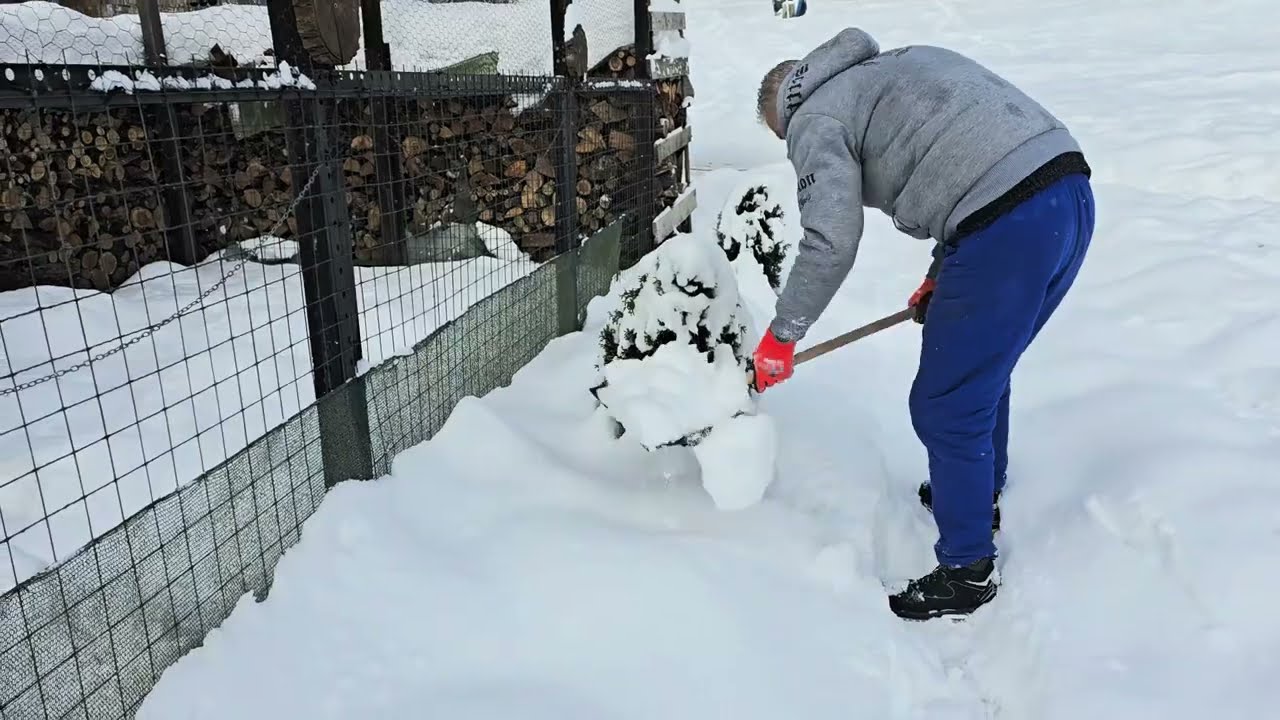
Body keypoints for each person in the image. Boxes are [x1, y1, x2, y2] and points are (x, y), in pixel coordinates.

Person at [750, 27, 1095, 620]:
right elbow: (972, 149)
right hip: (1066, 193)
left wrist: (782, 335)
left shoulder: (814, 119)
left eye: (784, 140)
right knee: (983, 368)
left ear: (783, 113)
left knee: (945, 403)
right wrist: (943, 271)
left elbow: (830, 238)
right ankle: (976, 492)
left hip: (1007, 224)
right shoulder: (894, 65)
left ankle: (967, 569)